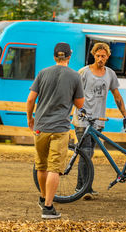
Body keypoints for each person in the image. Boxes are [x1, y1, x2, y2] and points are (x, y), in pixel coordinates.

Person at [27, 42, 84, 219]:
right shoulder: (75, 76)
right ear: (69, 55)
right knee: (54, 169)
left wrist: (30, 119)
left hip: (41, 126)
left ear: (54, 56)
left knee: (41, 166)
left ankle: (43, 198)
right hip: (60, 128)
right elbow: (80, 104)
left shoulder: (43, 73)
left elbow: (30, 100)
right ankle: (48, 208)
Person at [72, 42, 126, 200]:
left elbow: (117, 96)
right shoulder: (83, 72)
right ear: (93, 55)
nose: (100, 58)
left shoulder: (110, 74)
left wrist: (125, 115)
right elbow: (73, 93)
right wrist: (72, 112)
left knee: (88, 155)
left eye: (103, 56)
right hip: (83, 120)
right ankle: (84, 188)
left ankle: (82, 186)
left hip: (98, 121)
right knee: (86, 153)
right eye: (98, 56)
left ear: (108, 56)